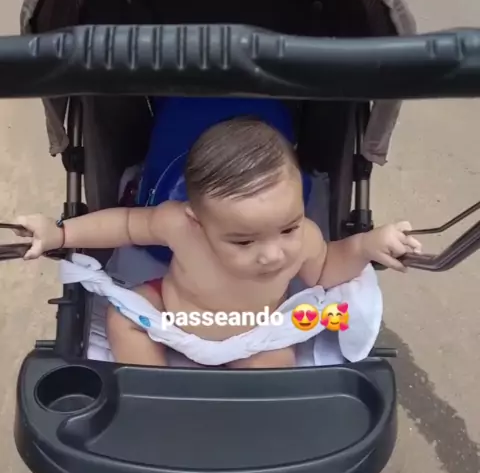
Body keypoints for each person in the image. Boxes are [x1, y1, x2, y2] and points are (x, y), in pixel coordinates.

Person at [16, 117, 421, 370]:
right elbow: (123, 224)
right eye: (243, 240)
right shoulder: (179, 224)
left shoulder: (305, 239)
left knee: (275, 363)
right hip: (172, 314)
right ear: (197, 219)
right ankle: (155, 393)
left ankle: (243, 428)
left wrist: (366, 245)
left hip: (255, 336)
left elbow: (328, 267)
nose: (273, 253)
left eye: (288, 228)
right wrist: (62, 233)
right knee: (124, 319)